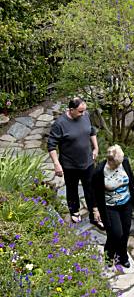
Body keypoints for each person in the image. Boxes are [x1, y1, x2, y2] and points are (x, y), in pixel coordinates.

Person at [48, 97, 103, 228]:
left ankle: (95, 213)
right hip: (70, 165)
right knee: (72, 189)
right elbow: (51, 145)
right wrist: (56, 164)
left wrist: (96, 147)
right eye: (80, 111)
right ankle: (74, 210)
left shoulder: (85, 115)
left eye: (84, 111)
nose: (83, 114)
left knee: (91, 188)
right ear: (71, 110)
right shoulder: (60, 124)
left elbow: (92, 131)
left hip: (88, 162)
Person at [92, 145, 134, 268]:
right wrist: (95, 210)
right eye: (118, 163)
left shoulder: (124, 162)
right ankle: (109, 255)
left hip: (126, 204)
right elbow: (92, 192)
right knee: (116, 233)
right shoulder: (99, 171)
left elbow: (131, 178)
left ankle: (122, 257)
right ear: (111, 160)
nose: (120, 164)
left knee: (125, 232)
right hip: (110, 206)